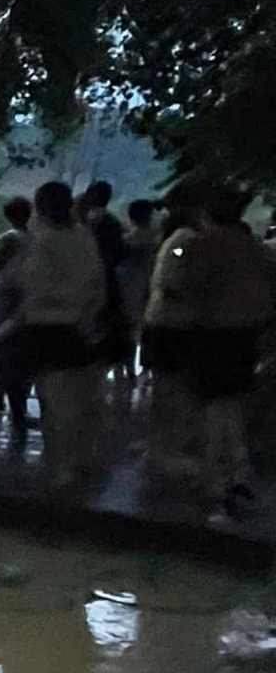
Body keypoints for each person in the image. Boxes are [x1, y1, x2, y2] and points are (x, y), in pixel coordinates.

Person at [0, 180, 106, 484]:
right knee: (79, 398)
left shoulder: (41, 242)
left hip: (45, 329)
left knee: (52, 402)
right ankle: (80, 457)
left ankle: (60, 465)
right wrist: (88, 316)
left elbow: (18, 282)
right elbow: (99, 284)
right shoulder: (85, 238)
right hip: (80, 326)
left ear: (40, 208)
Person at [184, 186, 274, 514]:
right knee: (233, 401)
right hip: (247, 333)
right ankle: (238, 468)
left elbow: (189, 284)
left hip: (212, 332)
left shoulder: (204, 246)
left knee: (211, 404)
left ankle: (215, 475)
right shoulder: (254, 247)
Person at [141, 183, 207, 477]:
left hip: (162, 321)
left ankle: (162, 445)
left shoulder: (176, 239)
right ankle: (169, 447)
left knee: (166, 385)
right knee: (174, 385)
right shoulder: (185, 240)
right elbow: (173, 279)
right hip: (176, 323)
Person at [0, 196, 33, 443]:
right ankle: (19, 410)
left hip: (6, 297)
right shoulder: (35, 238)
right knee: (21, 355)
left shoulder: (8, 238)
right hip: (28, 298)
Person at [78, 179, 129, 371]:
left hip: (87, 283)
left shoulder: (82, 223)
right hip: (106, 283)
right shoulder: (113, 223)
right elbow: (120, 253)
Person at [115, 198, 160, 381]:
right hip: (153, 285)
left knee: (130, 329)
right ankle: (147, 367)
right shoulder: (158, 237)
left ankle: (128, 366)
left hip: (131, 286)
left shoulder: (129, 239)